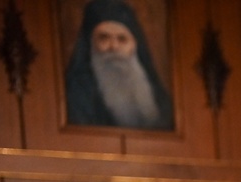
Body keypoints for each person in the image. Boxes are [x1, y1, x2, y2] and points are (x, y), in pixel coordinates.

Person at [63, 0, 174, 131]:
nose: (114, 47)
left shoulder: (157, 95)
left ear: (134, 46)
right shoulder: (77, 91)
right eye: (104, 38)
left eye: (122, 39)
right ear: (90, 44)